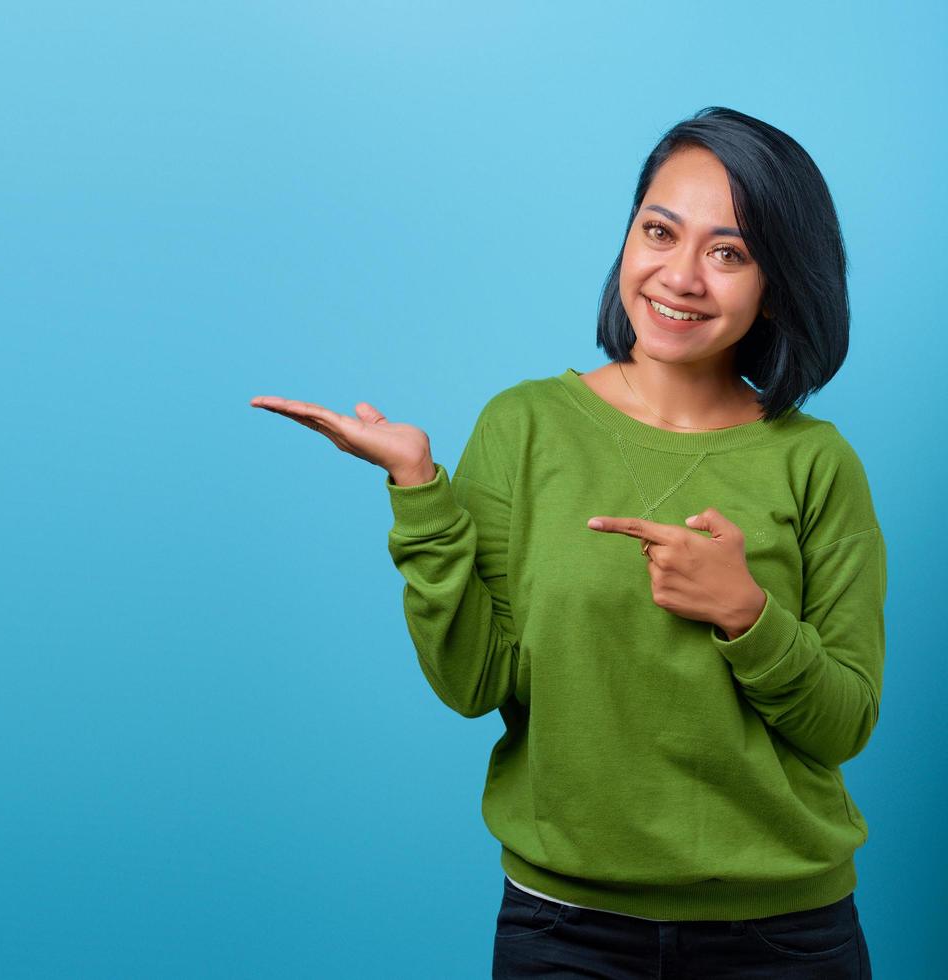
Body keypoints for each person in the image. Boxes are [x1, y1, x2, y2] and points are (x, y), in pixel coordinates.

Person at [248, 106, 882, 979]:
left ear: (776, 283)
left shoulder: (816, 462)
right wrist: (418, 491)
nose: (681, 276)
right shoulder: (525, 427)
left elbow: (843, 722)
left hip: (782, 934)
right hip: (566, 933)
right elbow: (474, 683)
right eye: (659, 231)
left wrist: (746, 614)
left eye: (727, 252)